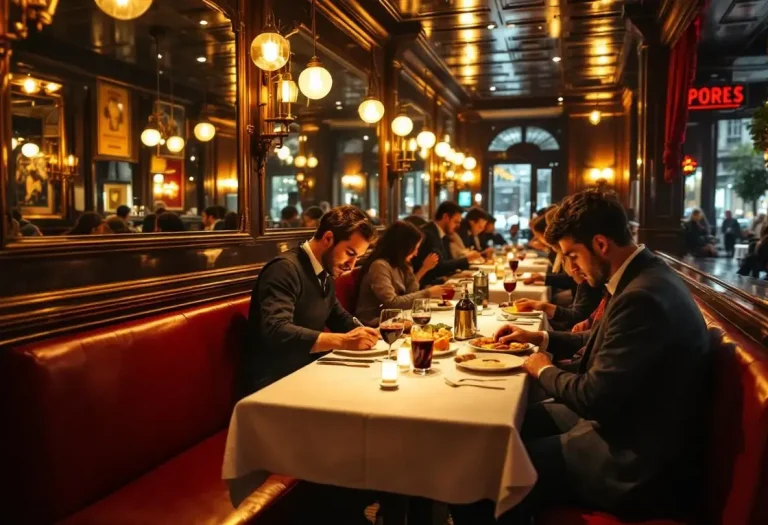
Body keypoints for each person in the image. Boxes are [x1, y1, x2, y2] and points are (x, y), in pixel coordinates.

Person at [456, 189, 710, 524]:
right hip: (631, 423)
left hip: (633, 462)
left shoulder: (642, 296)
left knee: (482, 468)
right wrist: (540, 337)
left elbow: (594, 398)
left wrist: (543, 368)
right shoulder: (646, 276)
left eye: (573, 256)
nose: (571, 268)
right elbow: (605, 341)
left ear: (601, 244)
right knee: (496, 427)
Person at [248, 205, 379, 392]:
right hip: (276, 382)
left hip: (307, 371)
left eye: (357, 258)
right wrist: (343, 341)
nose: (352, 265)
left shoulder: (323, 270)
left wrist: (374, 333)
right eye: (350, 254)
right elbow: (276, 331)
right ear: (328, 238)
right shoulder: (284, 269)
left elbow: (338, 317)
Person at [355, 221, 446, 326]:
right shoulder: (379, 265)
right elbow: (392, 303)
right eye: (414, 248)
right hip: (375, 324)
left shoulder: (400, 265)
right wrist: (428, 293)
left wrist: (411, 271)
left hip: (395, 319)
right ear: (403, 247)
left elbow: (410, 294)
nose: (416, 253)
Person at [513, 255, 603, 331]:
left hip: (574, 331)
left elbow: (577, 317)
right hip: (575, 328)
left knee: (556, 299)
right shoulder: (584, 281)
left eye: (574, 257)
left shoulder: (588, 282)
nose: (573, 267)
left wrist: (544, 306)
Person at [411, 201, 483, 285]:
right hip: (423, 286)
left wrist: (456, 274)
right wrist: (466, 259)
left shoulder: (441, 235)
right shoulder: (429, 234)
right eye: (455, 222)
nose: (458, 226)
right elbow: (438, 267)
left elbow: (446, 262)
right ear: (445, 217)